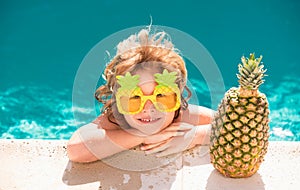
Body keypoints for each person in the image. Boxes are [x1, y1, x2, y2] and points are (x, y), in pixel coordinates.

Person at [67, 27, 214, 163]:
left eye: (162, 96)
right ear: (118, 103)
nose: (148, 108)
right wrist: (142, 136)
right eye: (135, 98)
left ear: (177, 98)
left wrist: (194, 136)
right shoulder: (115, 121)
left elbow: (231, 125)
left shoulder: (180, 116)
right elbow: (76, 150)